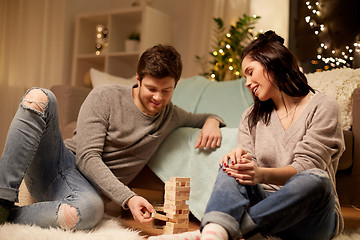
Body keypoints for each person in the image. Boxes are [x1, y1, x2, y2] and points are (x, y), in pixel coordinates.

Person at [0, 44, 225, 230]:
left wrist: (212, 121)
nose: (158, 97)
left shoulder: (171, 115)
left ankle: (9, 217)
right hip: (62, 165)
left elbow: (206, 117)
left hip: (85, 192)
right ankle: (2, 199)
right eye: (151, 88)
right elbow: (87, 157)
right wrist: (128, 198)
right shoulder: (105, 96)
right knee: (41, 96)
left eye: (166, 90)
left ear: (175, 86)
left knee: (87, 211)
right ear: (138, 78)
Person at [198, 31, 345, 240]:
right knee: (232, 165)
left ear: (271, 62)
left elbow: (307, 166)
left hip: (310, 218)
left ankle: (234, 231)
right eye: (245, 77)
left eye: (250, 72)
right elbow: (248, 173)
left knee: (318, 179)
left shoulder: (323, 106)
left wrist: (260, 174)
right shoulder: (250, 117)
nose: (247, 82)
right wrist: (241, 160)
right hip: (263, 206)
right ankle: (214, 233)